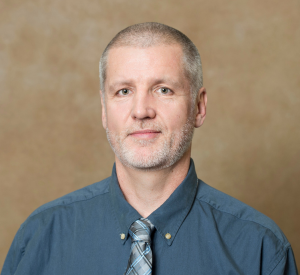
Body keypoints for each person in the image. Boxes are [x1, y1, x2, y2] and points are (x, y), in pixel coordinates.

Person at [1, 22, 298, 275]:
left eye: (163, 90)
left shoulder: (260, 248)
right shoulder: (41, 237)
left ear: (198, 106)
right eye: (124, 91)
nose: (141, 110)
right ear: (105, 109)